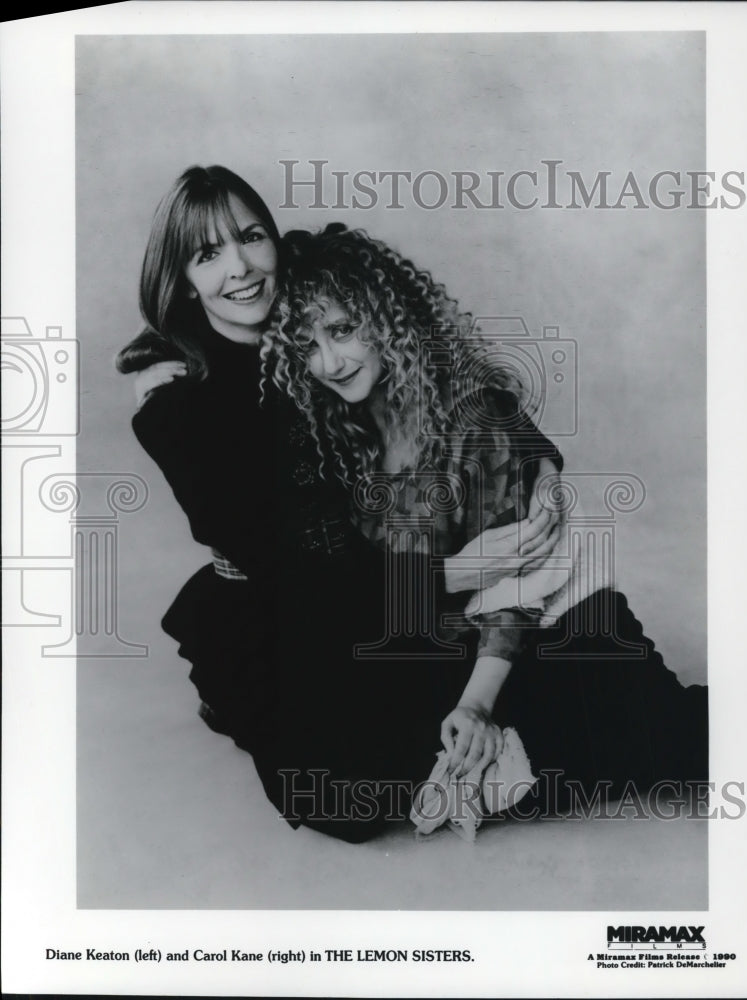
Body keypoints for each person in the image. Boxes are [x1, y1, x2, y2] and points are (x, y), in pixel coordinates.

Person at [117, 165, 563, 842]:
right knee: (345, 802)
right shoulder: (179, 405)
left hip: (375, 579)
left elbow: (427, 357)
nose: (239, 268)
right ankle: (242, 702)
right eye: (207, 255)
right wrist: (452, 575)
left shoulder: (300, 293)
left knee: (495, 675)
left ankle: (494, 745)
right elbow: (284, 567)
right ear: (181, 279)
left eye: (251, 236)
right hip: (280, 608)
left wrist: (533, 458)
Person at [265, 223, 709, 828]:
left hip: (532, 634)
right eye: (306, 346)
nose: (329, 362)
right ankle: (503, 758)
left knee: (697, 746)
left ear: (391, 322)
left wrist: (475, 705)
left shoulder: (470, 420)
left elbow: (515, 581)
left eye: (342, 330)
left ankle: (534, 744)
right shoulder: (339, 432)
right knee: (331, 781)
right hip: (441, 643)